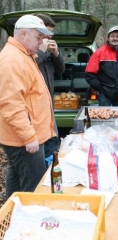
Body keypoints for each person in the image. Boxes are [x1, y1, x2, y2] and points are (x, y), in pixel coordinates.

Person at [0, 15, 56, 198]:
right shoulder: (12, 60)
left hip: (25, 136)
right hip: (24, 138)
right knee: (33, 187)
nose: (42, 42)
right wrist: (29, 136)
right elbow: (10, 104)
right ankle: (28, 223)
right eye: (38, 37)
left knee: (17, 180)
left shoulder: (25, 55)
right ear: (23, 34)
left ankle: (9, 219)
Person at [35, 13, 65, 164]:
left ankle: (52, 168)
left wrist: (56, 54)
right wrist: (40, 50)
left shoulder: (47, 51)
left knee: (53, 141)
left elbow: (60, 70)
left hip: (49, 105)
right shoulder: (30, 52)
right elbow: (31, 67)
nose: (48, 38)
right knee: (43, 145)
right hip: (36, 109)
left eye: (50, 35)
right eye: (45, 34)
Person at [85, 26, 118, 106]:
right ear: (108, 38)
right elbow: (89, 74)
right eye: (112, 36)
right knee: (104, 117)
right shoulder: (99, 53)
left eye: (117, 36)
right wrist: (101, 89)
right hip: (105, 95)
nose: (115, 38)